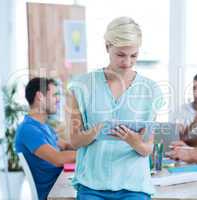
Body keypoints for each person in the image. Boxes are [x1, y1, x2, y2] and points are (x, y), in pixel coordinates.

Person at [66, 16, 163, 200]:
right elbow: (75, 141)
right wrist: (98, 130)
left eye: (133, 55)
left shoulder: (151, 90)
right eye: (120, 55)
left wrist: (133, 141)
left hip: (134, 185)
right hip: (92, 184)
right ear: (107, 47)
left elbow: (147, 149)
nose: (127, 62)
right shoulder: (82, 86)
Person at [15, 77, 76, 200]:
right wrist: (90, 154)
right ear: (40, 96)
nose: (57, 100)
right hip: (52, 193)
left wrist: (89, 143)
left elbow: (66, 146)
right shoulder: (28, 129)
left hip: (60, 185)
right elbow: (58, 159)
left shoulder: (44, 127)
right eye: (54, 95)